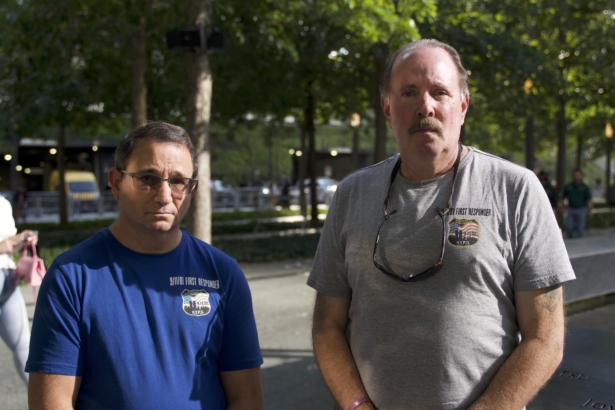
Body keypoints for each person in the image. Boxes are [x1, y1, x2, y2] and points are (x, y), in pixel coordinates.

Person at [309, 39, 575, 410]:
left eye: (440, 92)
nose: (426, 106)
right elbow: (327, 326)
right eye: (409, 92)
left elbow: (546, 337)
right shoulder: (352, 194)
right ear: (387, 108)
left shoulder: (516, 189)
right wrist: (357, 406)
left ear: (462, 106)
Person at [26, 121, 264, 410]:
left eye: (178, 181)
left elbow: (246, 397)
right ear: (115, 183)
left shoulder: (223, 274)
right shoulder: (71, 276)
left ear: (192, 190)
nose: (164, 196)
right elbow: (52, 403)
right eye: (148, 178)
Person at [0, 194, 38, 385]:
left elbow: (8, 243)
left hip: (7, 277)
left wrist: (24, 238)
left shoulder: (3, 203)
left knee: (23, 345)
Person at [559, 169, 593, 238]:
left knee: (580, 228)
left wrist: (590, 210)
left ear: (581, 176)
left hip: (581, 209)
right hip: (571, 209)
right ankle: (571, 238)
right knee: (568, 226)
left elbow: (589, 200)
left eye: (578, 175)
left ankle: (579, 242)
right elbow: (562, 198)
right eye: (575, 175)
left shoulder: (585, 187)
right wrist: (561, 208)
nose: (576, 177)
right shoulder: (568, 186)